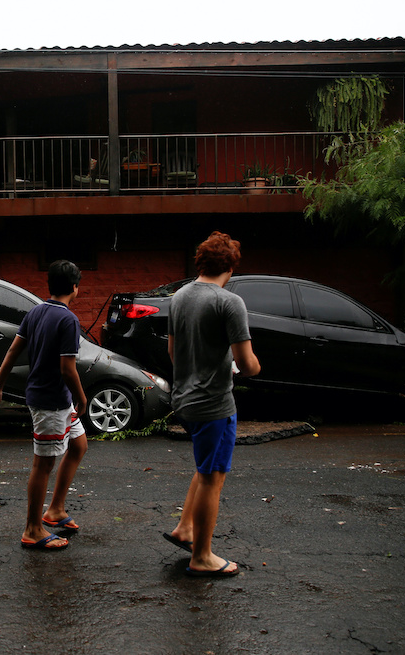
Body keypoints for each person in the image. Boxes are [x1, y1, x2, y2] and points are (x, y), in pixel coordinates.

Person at [164, 231, 261, 577]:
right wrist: (251, 366)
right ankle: (202, 556)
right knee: (213, 477)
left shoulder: (180, 296)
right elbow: (247, 364)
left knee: (205, 468)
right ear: (231, 268)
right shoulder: (228, 302)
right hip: (214, 404)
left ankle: (185, 529)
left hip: (184, 400)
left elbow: (173, 353)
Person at [0, 260, 89, 551]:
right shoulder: (68, 320)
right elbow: (67, 368)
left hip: (55, 399)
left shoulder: (35, 312)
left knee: (79, 446)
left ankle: (55, 509)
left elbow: (12, 350)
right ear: (74, 288)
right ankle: (32, 528)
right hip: (51, 402)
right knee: (43, 464)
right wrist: (81, 397)